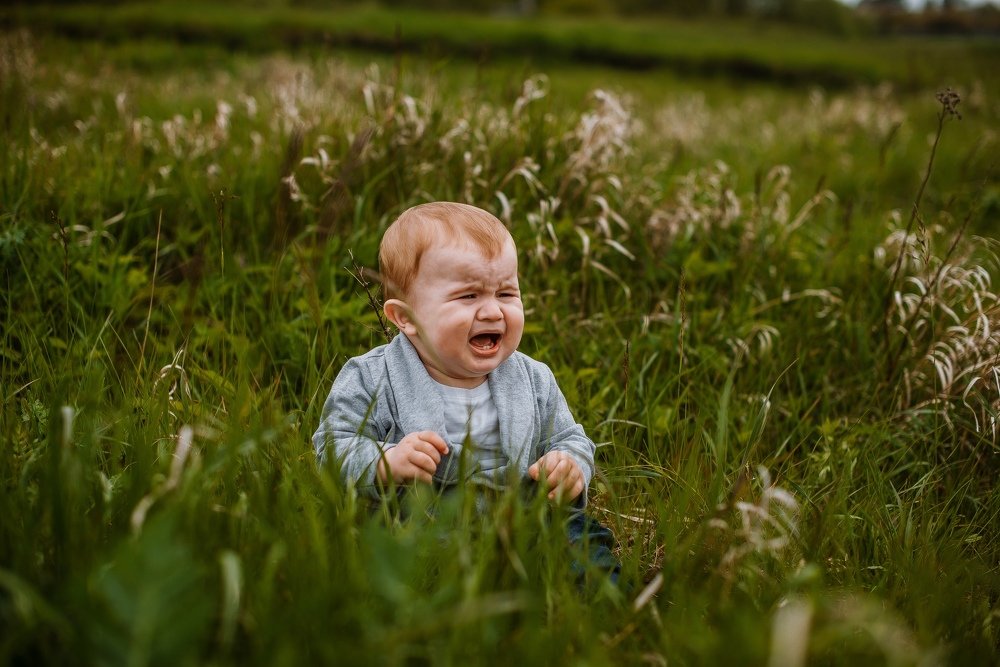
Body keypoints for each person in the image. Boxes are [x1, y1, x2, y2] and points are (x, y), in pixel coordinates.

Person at [312, 201, 618, 582]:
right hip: (425, 515)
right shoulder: (372, 378)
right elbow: (332, 445)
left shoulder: (533, 378)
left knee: (577, 538)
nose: (492, 312)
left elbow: (570, 437)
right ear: (405, 317)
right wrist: (383, 461)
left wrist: (569, 463)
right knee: (396, 547)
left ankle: (611, 605)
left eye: (506, 294)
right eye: (468, 296)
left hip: (521, 513)